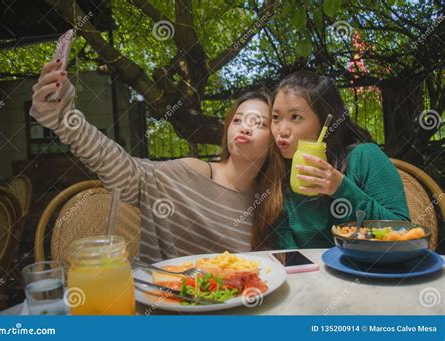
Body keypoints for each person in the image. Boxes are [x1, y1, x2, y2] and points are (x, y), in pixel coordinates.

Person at [30, 60, 283, 262]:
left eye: (258, 123)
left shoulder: (271, 202)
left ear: (274, 141)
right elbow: (129, 175)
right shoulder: (196, 173)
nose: (245, 128)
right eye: (237, 120)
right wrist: (65, 119)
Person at [258, 70, 410, 250]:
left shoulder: (364, 157)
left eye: (295, 117)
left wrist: (342, 189)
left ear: (325, 121)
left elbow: (403, 231)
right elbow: (287, 248)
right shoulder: (280, 170)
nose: (281, 130)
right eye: (276, 117)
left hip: (374, 272)